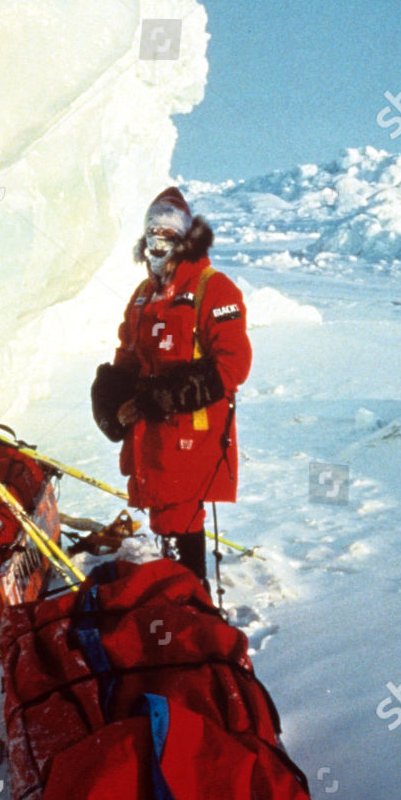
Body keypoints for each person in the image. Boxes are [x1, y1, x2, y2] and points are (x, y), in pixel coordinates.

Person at [91, 186, 251, 589]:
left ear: (185, 241)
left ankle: (188, 606)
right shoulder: (143, 297)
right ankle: (179, 602)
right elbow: (128, 356)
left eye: (168, 235)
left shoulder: (213, 289)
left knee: (179, 514)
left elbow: (233, 364)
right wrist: (110, 395)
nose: (157, 244)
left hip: (191, 434)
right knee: (163, 514)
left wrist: (166, 394)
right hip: (151, 433)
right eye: (152, 234)